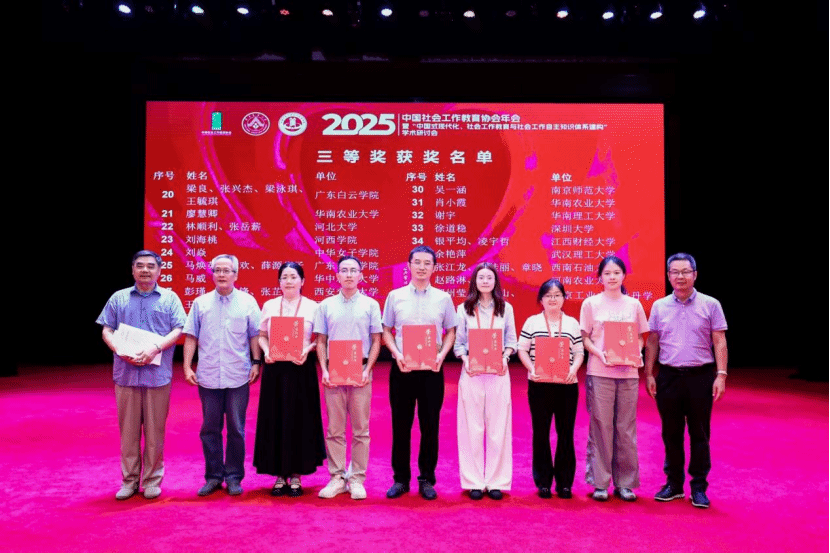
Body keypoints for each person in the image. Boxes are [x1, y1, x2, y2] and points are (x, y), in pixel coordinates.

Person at [96, 250, 186, 500]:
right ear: (133, 269)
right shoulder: (119, 298)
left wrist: (156, 347)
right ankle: (129, 480)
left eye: (150, 266)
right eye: (140, 265)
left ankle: (152, 480)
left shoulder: (170, 298)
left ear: (159, 270)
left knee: (156, 432)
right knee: (128, 433)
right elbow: (106, 329)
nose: (145, 270)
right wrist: (119, 349)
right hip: (126, 374)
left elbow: (178, 329)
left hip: (157, 375)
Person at [644, 253, 728, 509]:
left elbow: (719, 341)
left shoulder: (710, 304)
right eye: (675, 272)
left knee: (700, 433)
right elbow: (652, 341)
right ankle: (674, 484)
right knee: (671, 433)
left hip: (700, 376)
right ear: (668, 276)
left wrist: (721, 375)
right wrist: (649, 373)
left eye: (685, 271)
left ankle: (699, 487)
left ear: (695, 274)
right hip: (668, 376)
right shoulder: (659, 306)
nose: (680, 276)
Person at [182, 254, 262, 497]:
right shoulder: (201, 303)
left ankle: (234, 477)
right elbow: (191, 336)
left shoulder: (248, 302)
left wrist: (256, 362)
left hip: (238, 374)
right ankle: (214, 477)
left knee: (236, 428)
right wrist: (187, 366)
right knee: (210, 429)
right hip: (208, 375)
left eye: (227, 270)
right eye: (217, 270)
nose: (221, 274)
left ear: (236, 274)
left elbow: (255, 335)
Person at [382, 245, 457, 500]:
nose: (422, 267)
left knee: (430, 426)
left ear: (434, 267)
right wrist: (396, 353)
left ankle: (426, 478)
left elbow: (451, 331)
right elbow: (386, 330)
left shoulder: (443, 298)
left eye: (427, 263)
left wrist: (441, 356)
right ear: (409, 266)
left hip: (431, 370)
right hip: (402, 368)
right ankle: (400, 479)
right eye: (417, 262)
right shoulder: (395, 296)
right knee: (400, 426)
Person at [579, 255, 649, 502]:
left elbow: (640, 337)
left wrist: (636, 353)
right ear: (600, 277)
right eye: (607, 273)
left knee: (625, 428)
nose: (611, 277)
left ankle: (625, 483)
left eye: (616, 273)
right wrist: (599, 353)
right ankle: (600, 483)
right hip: (600, 372)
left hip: (628, 373)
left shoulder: (634, 305)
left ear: (623, 276)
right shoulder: (591, 304)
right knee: (601, 426)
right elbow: (585, 338)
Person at [314, 256, 382, 500]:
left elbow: (376, 340)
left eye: (354, 270)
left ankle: (357, 478)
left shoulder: (371, 305)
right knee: (335, 428)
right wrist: (324, 370)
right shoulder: (326, 305)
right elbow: (320, 341)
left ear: (361, 275)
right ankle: (337, 477)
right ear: (337, 276)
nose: (349, 274)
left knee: (361, 429)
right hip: (334, 371)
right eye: (344, 270)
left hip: (360, 371)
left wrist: (367, 370)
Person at [253, 262, 324, 497]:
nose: (289, 281)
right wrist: (266, 352)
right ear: (279, 282)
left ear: (303, 281)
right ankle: (278, 474)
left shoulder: (314, 307)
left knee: (300, 419)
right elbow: (262, 336)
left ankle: (296, 474)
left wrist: (308, 349)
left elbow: (320, 339)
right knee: (275, 418)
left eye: (294, 277)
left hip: (301, 368)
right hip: (275, 368)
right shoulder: (270, 305)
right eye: (284, 277)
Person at [454, 263, 517, 500]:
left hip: (498, 373)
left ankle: (496, 481)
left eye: (489, 277)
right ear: (475, 281)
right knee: (471, 426)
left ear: (495, 281)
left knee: (498, 427)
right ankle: (474, 481)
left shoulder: (505, 309)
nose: (485, 281)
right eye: (481, 277)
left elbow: (511, 340)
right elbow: (459, 343)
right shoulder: (464, 309)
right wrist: (465, 359)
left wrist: (505, 357)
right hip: (472, 372)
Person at [517, 278, 584, 500]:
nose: (553, 299)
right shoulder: (532, 322)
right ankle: (543, 481)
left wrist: (573, 369)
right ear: (541, 300)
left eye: (557, 295)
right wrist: (531, 368)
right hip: (539, 385)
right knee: (541, 432)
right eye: (548, 296)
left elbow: (579, 352)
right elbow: (522, 349)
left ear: (564, 298)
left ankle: (565, 483)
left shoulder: (572, 323)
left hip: (567, 386)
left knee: (566, 433)